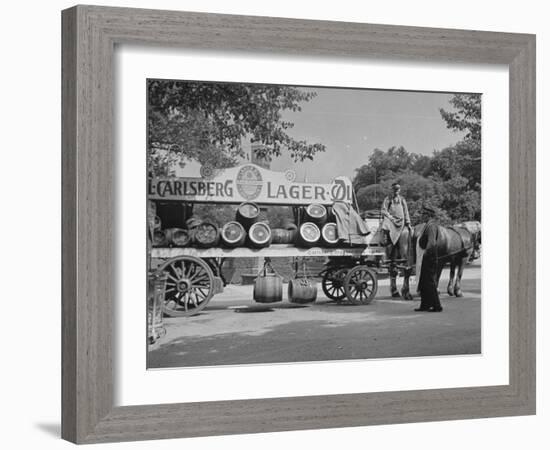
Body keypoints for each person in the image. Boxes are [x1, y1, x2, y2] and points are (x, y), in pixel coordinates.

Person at [415, 205, 443, 312]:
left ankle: (437, 306)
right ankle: (424, 305)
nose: (422, 216)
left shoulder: (431, 226)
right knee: (423, 283)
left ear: (429, 215)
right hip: (424, 258)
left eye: (424, 214)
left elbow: (431, 243)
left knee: (430, 283)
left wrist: (426, 254)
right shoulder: (427, 225)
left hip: (428, 258)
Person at [380, 182, 411, 247]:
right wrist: (389, 216)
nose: (396, 191)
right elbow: (383, 210)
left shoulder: (402, 199)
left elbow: (406, 211)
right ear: (392, 190)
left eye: (398, 189)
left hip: (400, 221)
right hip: (391, 220)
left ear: (399, 190)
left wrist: (408, 223)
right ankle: (386, 241)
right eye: (395, 189)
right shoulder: (388, 199)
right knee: (385, 223)